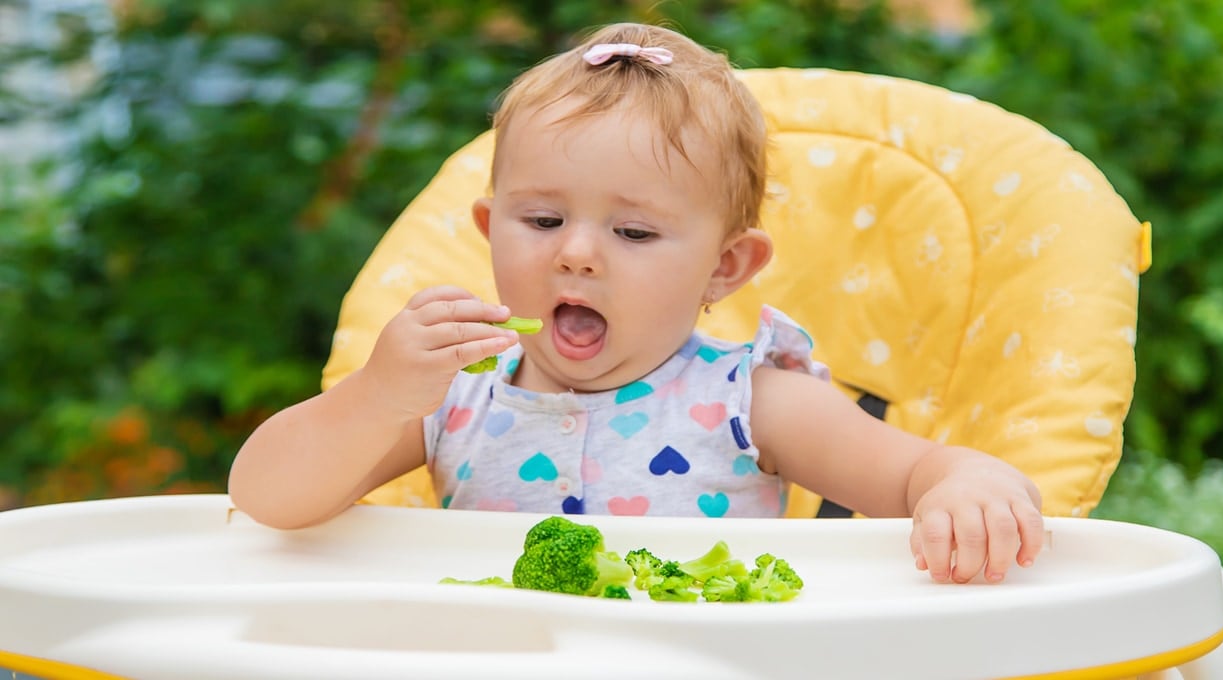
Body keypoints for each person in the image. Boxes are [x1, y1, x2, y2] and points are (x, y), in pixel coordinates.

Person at [229, 22, 1044, 585]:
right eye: (543, 221)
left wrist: (965, 487)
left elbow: (917, 475)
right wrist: (376, 396)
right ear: (489, 229)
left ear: (726, 267)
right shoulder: (456, 399)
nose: (576, 251)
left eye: (633, 232)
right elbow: (267, 500)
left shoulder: (751, 401)